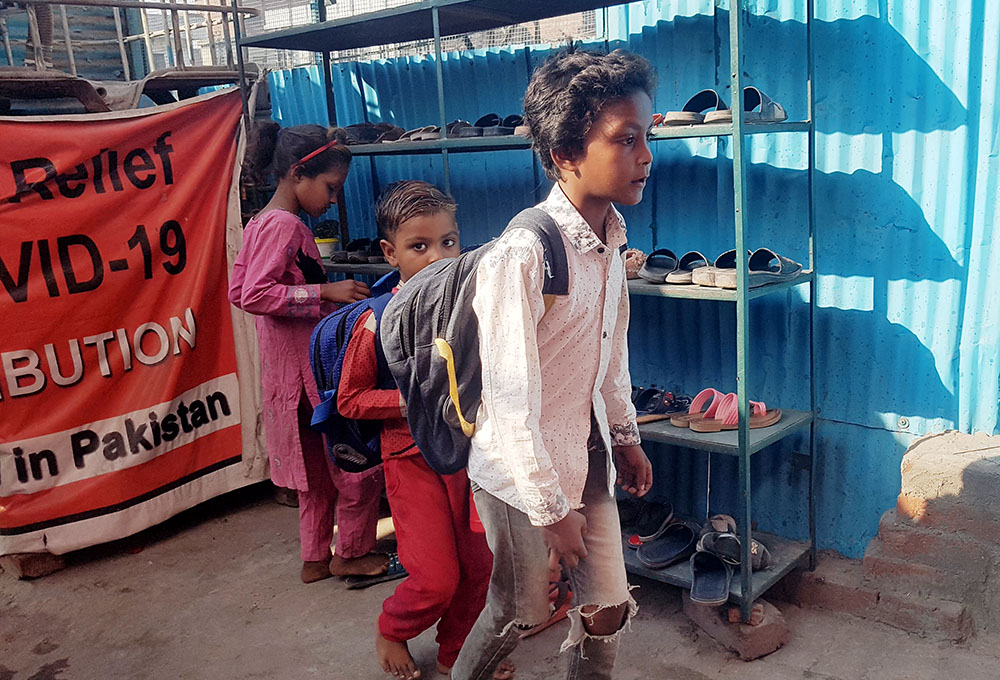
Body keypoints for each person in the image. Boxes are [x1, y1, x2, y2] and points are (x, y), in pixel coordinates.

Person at [451, 48, 656, 680]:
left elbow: (610, 356)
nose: (646, 156)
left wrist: (625, 437)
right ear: (564, 155)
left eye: (648, 136)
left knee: (607, 610)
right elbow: (510, 405)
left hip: (586, 454)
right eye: (625, 140)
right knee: (517, 612)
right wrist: (550, 511)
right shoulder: (522, 255)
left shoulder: (612, 239)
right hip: (520, 474)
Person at [337, 181, 514, 680]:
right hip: (411, 461)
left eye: (449, 242)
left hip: (472, 459)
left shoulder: (472, 309)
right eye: (420, 246)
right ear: (390, 253)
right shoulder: (376, 322)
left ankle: (456, 651)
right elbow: (350, 399)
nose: (438, 257)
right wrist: (412, 400)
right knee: (436, 578)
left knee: (480, 567)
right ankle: (392, 627)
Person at [229, 122, 389, 585]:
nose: (334, 200)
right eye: (331, 188)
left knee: (314, 476)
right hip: (310, 377)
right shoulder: (285, 225)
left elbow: (239, 287)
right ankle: (352, 552)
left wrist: (326, 298)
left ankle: (315, 557)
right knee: (355, 467)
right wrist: (326, 290)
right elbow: (254, 294)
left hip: (284, 376)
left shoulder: (259, 221)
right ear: (299, 173)